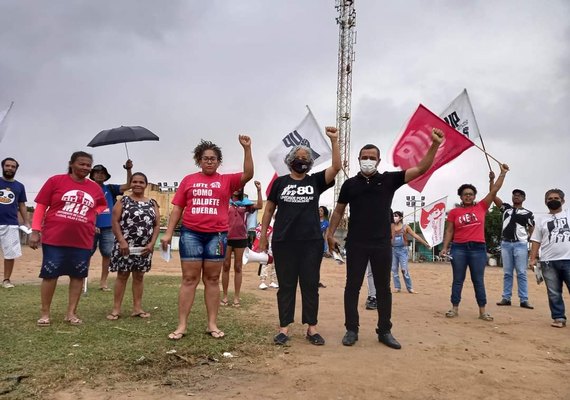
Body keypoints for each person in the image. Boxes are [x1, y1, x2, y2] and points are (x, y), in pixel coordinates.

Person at [327, 128, 444, 349]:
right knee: (352, 287)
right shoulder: (350, 184)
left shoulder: (390, 180)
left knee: (383, 288)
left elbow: (421, 168)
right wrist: (330, 233)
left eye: (372, 158)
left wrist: (434, 144)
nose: (368, 161)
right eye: (364, 157)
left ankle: (385, 330)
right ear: (358, 159)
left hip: (381, 243)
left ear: (379, 160)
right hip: (356, 243)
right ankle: (351, 329)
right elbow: (339, 211)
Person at [161, 136, 253, 340]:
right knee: (189, 279)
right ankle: (182, 325)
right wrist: (168, 233)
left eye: (213, 158)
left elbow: (248, 174)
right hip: (191, 234)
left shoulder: (226, 181)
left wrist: (247, 149)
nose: (209, 161)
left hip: (217, 236)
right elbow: (178, 208)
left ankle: (212, 324)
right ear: (199, 161)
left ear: (219, 161)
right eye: (205, 158)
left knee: (212, 279)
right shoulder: (188, 180)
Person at [259, 126, 340, 346]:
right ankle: (284, 328)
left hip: (311, 243)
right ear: (291, 160)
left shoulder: (314, 181)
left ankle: (311, 328)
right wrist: (264, 236)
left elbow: (336, 167)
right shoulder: (280, 183)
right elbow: (268, 210)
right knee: (286, 285)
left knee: (310, 284)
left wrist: (334, 141)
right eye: (298, 157)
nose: (302, 161)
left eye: (306, 158)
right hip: (284, 241)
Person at [29, 151, 107, 326]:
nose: (85, 168)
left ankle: (71, 313)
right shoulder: (55, 181)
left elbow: (102, 205)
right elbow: (41, 206)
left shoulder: (94, 187)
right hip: (54, 238)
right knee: (50, 275)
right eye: (81, 164)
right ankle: (45, 313)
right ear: (71, 164)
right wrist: (35, 231)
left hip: (82, 240)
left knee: (78, 276)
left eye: (88, 165)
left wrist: (92, 213)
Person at [440, 163, 509, 323]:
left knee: (478, 280)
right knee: (458, 279)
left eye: (471, 194)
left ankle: (482, 311)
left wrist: (502, 173)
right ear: (461, 196)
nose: (468, 196)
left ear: (474, 196)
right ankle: (454, 308)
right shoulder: (454, 212)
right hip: (459, 248)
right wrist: (445, 247)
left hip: (478, 249)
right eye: (465, 194)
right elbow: (449, 231)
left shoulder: (482, 207)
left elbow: (494, 191)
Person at [106, 172, 160, 320]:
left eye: (141, 182)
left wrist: (151, 243)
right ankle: (116, 309)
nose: (137, 184)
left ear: (145, 185)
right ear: (131, 184)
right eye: (134, 181)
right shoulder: (123, 201)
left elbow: (156, 225)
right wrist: (122, 241)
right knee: (122, 275)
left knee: (139, 276)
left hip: (144, 247)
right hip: (125, 246)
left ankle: (137, 308)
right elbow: (115, 221)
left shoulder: (152, 203)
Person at [490, 175, 535, 309]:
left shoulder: (528, 213)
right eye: (514, 195)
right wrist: (491, 180)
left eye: (519, 195)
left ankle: (524, 299)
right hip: (505, 244)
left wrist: (532, 246)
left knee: (521, 272)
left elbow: (532, 230)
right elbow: (492, 195)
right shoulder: (506, 209)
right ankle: (506, 297)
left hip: (520, 244)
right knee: (507, 273)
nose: (516, 196)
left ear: (523, 199)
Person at [529, 189, 570, 328]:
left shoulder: (568, 215)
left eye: (556, 198)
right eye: (550, 198)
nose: (553, 200)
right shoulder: (541, 220)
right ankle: (559, 318)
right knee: (553, 292)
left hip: (568, 259)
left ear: (563, 200)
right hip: (548, 262)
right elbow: (535, 240)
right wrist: (532, 258)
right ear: (546, 202)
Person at [90, 160, 133, 291]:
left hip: (108, 227)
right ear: (92, 175)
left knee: (107, 255)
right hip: (89, 226)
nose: (100, 175)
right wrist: (91, 223)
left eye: (102, 173)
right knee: (86, 254)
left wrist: (128, 170)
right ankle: (82, 281)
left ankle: (103, 282)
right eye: (97, 173)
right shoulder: (87, 188)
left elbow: (128, 185)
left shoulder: (110, 188)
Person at [221, 181, 263, 307]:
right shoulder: (224, 201)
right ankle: (224, 296)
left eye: (239, 187)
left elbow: (260, 206)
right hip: (225, 237)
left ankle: (236, 298)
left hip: (240, 238)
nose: (237, 189)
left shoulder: (245, 204)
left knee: (238, 267)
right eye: (235, 186)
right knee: (226, 266)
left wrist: (259, 190)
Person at [0, 157, 30, 288]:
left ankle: (6, 280)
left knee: (10, 253)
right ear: (3, 167)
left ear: (16, 169)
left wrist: (26, 222)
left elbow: (22, 205)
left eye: (13, 166)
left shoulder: (19, 186)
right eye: (7, 166)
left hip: (11, 224)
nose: (10, 168)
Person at [391, 211, 430, 294]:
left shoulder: (405, 227)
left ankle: (410, 288)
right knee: (394, 269)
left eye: (396, 216)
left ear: (401, 217)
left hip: (403, 250)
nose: (394, 217)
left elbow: (415, 235)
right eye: (393, 216)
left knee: (404, 269)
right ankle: (397, 287)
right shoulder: (391, 227)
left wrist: (425, 243)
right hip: (393, 250)